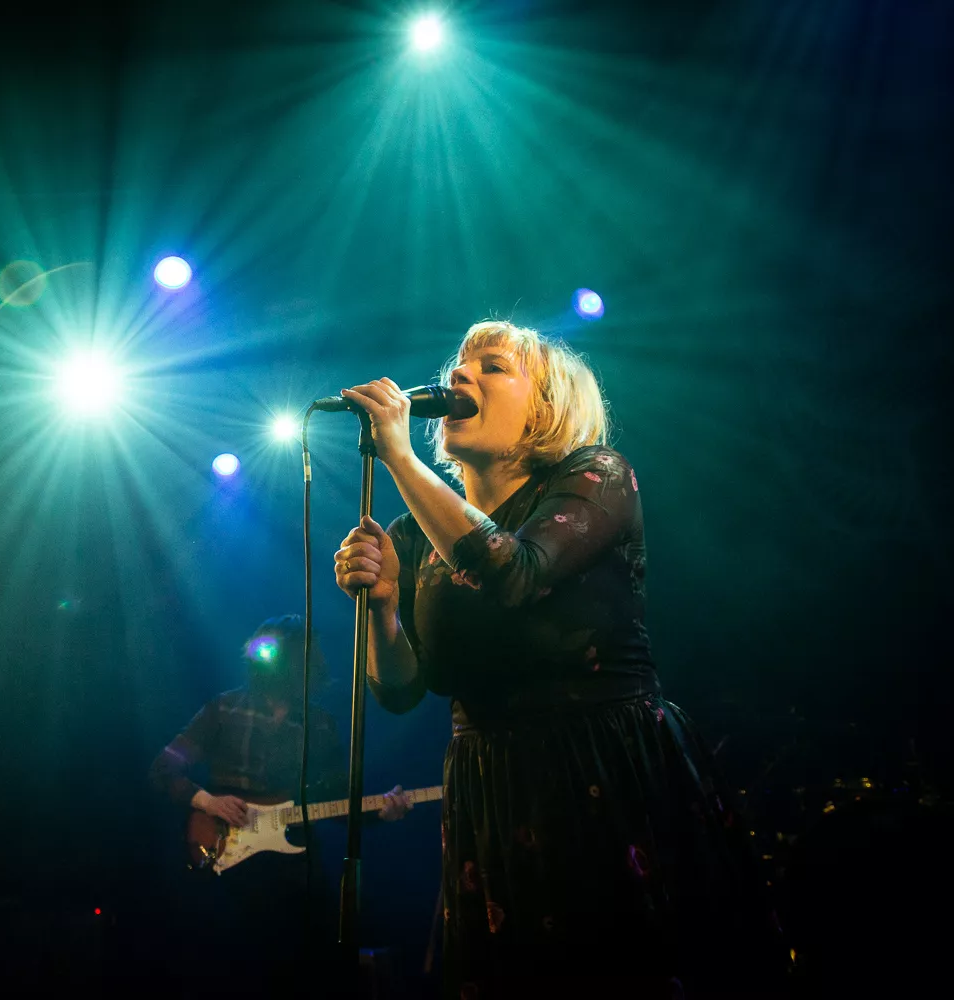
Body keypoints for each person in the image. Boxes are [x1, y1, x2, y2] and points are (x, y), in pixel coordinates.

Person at [333, 321, 787, 999]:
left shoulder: (597, 477)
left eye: (493, 367)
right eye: (459, 365)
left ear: (546, 407)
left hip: (602, 766)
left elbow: (516, 572)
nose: (460, 376)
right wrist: (384, 608)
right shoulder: (416, 534)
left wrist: (400, 458)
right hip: (492, 785)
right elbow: (400, 691)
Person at [148, 614, 411, 998]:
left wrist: (382, 813)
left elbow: (337, 803)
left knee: (313, 963)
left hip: (295, 870)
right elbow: (164, 768)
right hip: (228, 864)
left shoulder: (320, 724)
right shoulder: (224, 709)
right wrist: (209, 802)